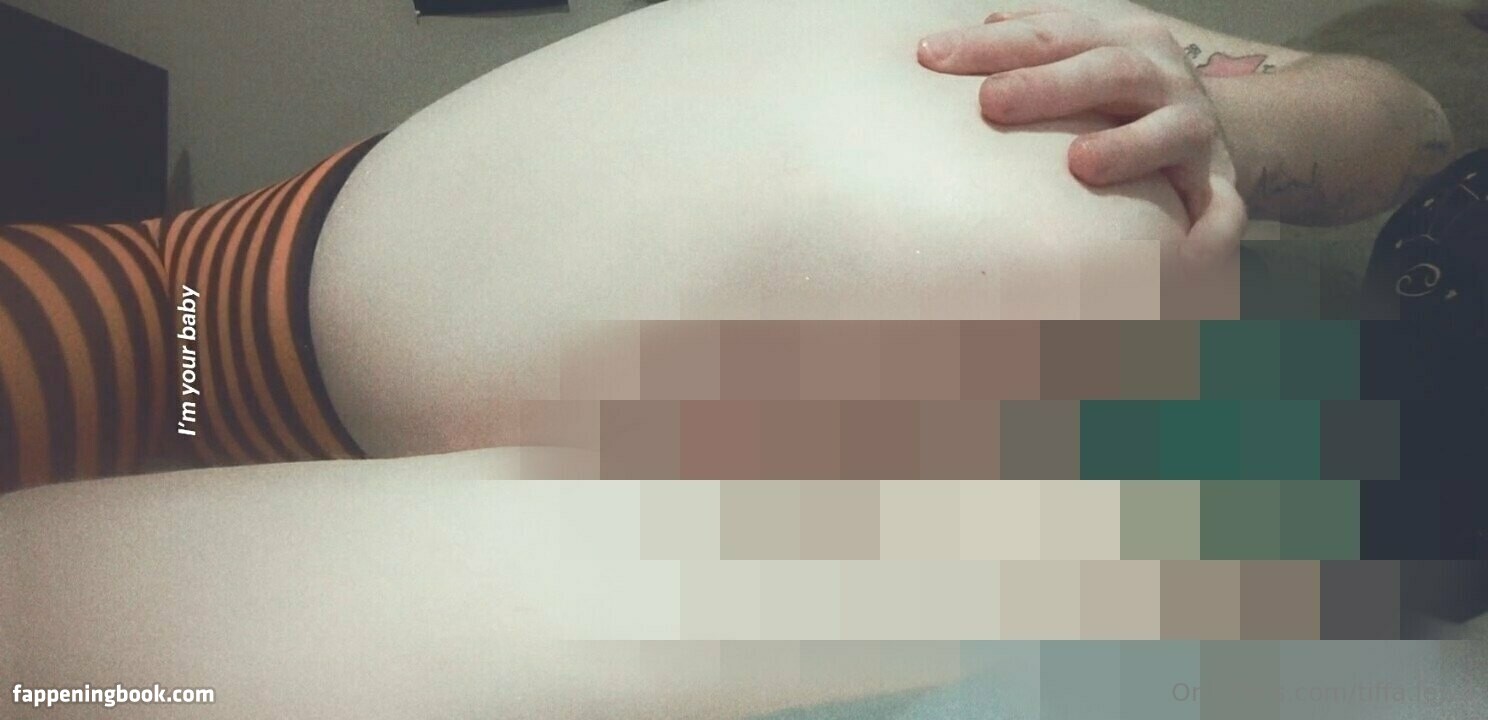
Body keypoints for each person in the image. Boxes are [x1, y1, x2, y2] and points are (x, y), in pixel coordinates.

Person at [0, 1, 1456, 718]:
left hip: (1139, 496)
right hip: (243, 327)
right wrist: (1243, 119)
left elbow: (1419, 117)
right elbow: (1416, 110)